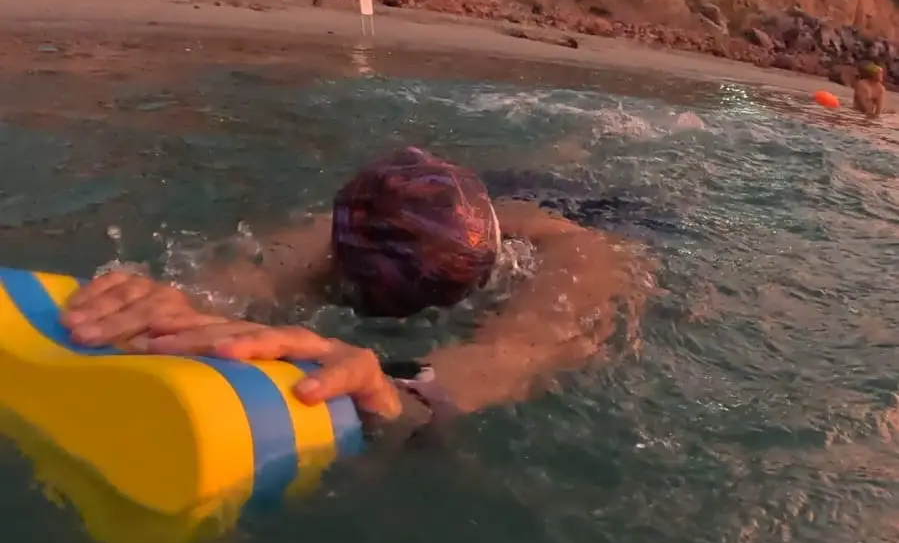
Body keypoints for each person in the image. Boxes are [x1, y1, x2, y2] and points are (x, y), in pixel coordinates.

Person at [62, 147, 647, 437]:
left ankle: (582, 152)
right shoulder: (363, 225)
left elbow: (517, 353)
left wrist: (399, 394)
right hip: (483, 197)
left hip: (611, 209)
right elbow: (261, 269)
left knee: (574, 168)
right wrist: (186, 302)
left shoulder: (582, 252)